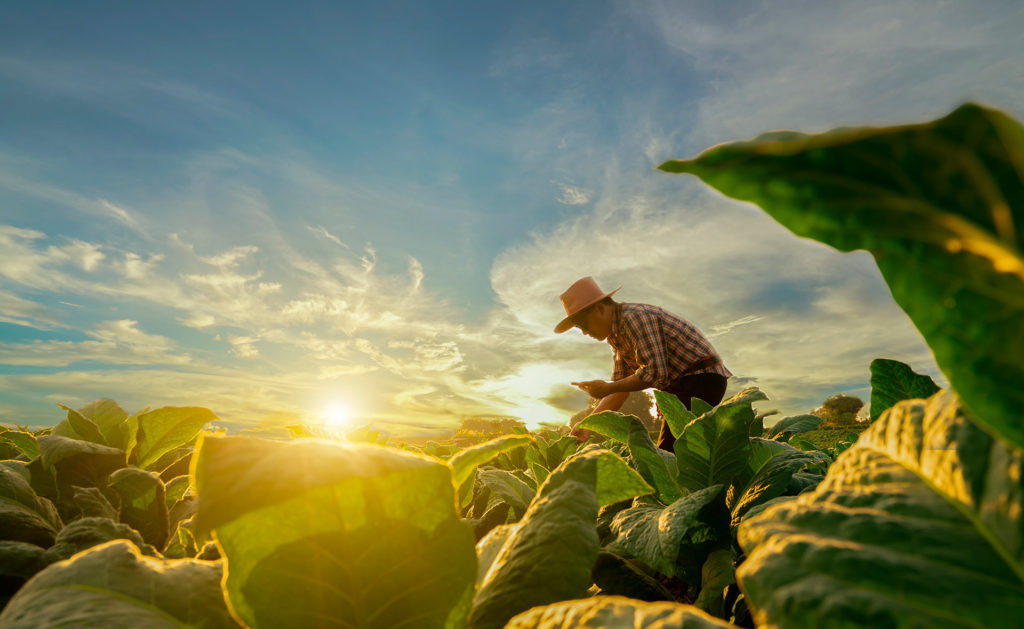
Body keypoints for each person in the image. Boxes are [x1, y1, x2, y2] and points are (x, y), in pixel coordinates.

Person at [554, 276, 732, 452]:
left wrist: (608, 387)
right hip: (683, 386)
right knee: (679, 452)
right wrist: (588, 424)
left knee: (670, 454)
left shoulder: (635, 318)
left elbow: (654, 374)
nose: (585, 332)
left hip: (701, 378)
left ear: (599, 309)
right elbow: (619, 390)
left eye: (584, 325)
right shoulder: (617, 336)